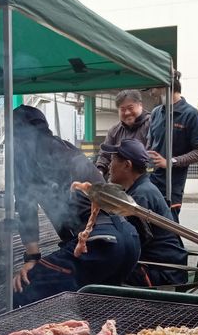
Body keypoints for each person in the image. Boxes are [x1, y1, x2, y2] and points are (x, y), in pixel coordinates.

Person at [11, 105, 141, 307]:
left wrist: (32, 258)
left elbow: (26, 208)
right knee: (94, 307)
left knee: (24, 287)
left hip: (100, 242)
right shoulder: (65, 147)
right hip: (129, 240)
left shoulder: (26, 156)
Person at [102, 139, 189, 286]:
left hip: (161, 272)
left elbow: (129, 244)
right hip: (163, 267)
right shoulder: (141, 188)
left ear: (127, 165)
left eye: (113, 160)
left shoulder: (140, 196)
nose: (109, 166)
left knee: (98, 271)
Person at [146, 71, 198, 222]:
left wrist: (170, 162)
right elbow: (150, 144)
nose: (150, 90)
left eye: (153, 84)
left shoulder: (190, 114)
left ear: (165, 84)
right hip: (150, 182)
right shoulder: (156, 112)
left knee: (169, 230)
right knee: (149, 229)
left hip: (171, 188)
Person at [96, 90, 150, 178]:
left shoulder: (152, 125)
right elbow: (105, 155)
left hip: (146, 179)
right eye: (123, 109)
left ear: (140, 105)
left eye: (130, 108)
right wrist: (99, 171)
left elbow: (151, 157)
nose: (127, 112)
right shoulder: (114, 131)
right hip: (121, 183)